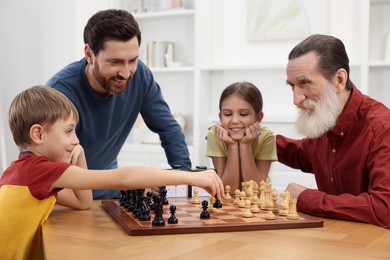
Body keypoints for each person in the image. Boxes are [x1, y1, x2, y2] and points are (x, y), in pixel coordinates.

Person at [0, 86, 224, 260]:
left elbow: (82, 202)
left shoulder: (24, 173)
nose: (75, 140)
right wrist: (192, 177)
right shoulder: (40, 171)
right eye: (69, 131)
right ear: (38, 134)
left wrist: (81, 156)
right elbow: (123, 178)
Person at [46, 9, 191, 199]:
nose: (126, 73)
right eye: (115, 62)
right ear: (89, 54)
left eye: (132, 60)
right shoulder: (59, 93)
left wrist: (185, 182)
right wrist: (123, 186)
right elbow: (47, 170)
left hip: (112, 189)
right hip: (70, 198)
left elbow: (168, 129)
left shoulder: (141, 76)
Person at [278, 34, 390, 229]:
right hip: (336, 240)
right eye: (292, 86)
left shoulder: (382, 129)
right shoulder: (326, 117)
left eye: (304, 83)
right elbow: (302, 153)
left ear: (339, 79)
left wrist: (306, 198)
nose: (296, 100)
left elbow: (384, 208)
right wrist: (259, 138)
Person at [206, 81, 277, 192]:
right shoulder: (215, 135)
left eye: (243, 114)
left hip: (256, 206)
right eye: (227, 114)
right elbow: (227, 190)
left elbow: (257, 191)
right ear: (220, 117)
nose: (234, 121)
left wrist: (245, 145)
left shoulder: (267, 137)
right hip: (226, 205)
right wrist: (233, 146)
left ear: (258, 117)